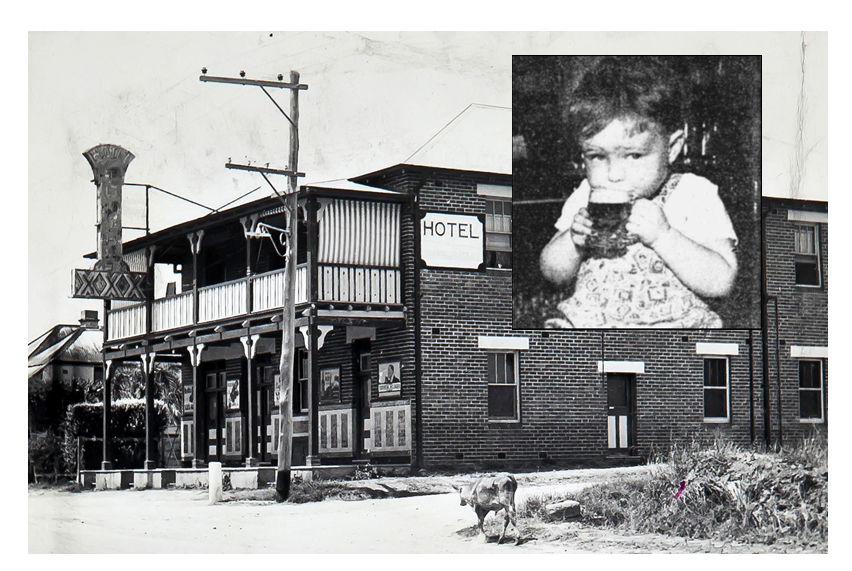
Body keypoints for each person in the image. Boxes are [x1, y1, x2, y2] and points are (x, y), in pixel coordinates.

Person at [540, 57, 738, 328]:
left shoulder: (693, 194)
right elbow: (551, 273)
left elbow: (722, 281)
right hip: (594, 327)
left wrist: (664, 237)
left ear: (674, 147)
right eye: (597, 156)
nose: (614, 174)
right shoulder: (587, 194)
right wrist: (572, 241)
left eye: (633, 155)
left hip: (670, 328)